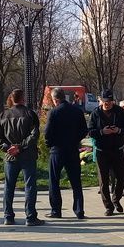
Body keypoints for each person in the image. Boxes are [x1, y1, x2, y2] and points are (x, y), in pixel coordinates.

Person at [0, 89, 43, 226]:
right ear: (23, 98)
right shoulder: (30, 114)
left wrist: (7, 147)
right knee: (30, 185)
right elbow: (34, 135)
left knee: (9, 186)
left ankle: (8, 216)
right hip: (27, 155)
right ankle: (30, 216)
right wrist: (20, 146)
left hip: (10, 156)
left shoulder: (3, 114)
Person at [44, 87, 88, 219]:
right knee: (76, 181)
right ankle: (79, 210)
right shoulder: (76, 111)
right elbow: (84, 130)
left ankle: (56, 210)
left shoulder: (53, 113)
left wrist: (49, 144)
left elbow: (47, 132)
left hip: (57, 150)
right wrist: (75, 140)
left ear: (55, 99)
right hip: (72, 149)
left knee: (54, 181)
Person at [88, 89, 124, 216]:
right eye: (105, 101)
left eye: (110, 101)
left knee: (122, 177)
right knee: (104, 180)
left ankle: (116, 199)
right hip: (102, 150)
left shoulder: (120, 112)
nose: (108, 104)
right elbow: (90, 131)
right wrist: (102, 132)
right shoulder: (96, 113)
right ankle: (108, 206)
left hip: (117, 149)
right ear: (101, 101)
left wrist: (118, 130)